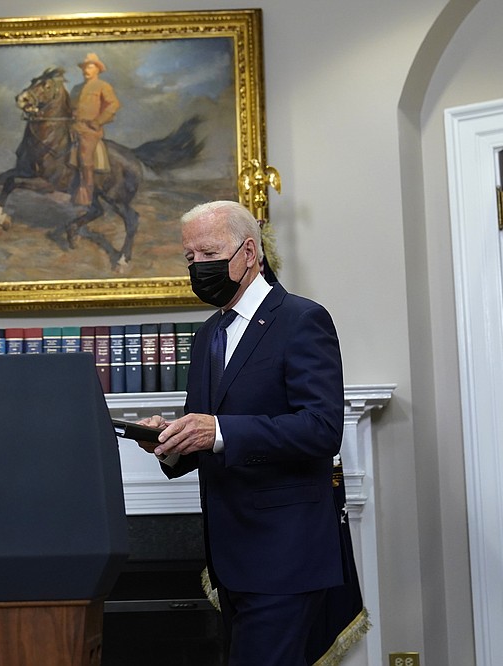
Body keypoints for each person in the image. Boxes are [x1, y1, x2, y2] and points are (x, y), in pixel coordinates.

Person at [136, 200, 346, 665]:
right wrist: (169, 444)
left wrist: (218, 431)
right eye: (189, 258)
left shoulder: (302, 320)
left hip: (285, 557)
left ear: (249, 253)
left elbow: (322, 428)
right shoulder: (208, 334)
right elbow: (207, 435)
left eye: (208, 254)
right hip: (229, 560)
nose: (197, 268)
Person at [70, 52, 120, 206]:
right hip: (72, 127)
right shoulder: (76, 88)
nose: (86, 70)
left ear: (97, 69)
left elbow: (114, 105)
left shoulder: (103, 86)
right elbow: (70, 107)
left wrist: (98, 121)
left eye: (90, 67)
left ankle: (87, 193)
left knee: (85, 157)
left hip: (90, 130)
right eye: (84, 67)